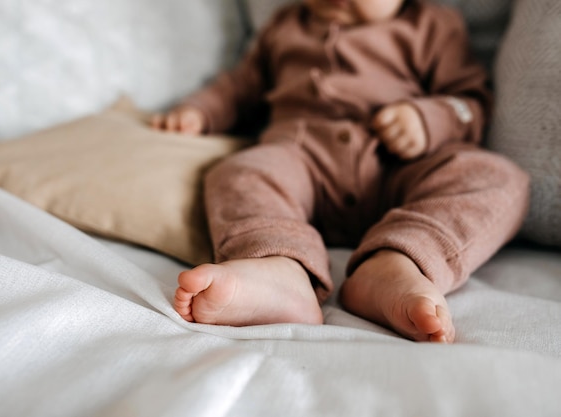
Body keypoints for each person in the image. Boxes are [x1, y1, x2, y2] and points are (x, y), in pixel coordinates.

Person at [151, 0, 529, 343]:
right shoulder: (286, 26)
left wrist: (427, 119)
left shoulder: (432, 25)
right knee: (242, 172)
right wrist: (200, 111)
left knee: (497, 177)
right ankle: (279, 269)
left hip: (399, 169)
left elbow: (471, 102)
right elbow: (237, 87)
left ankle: (398, 263)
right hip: (301, 161)